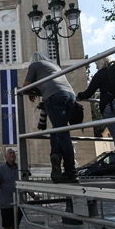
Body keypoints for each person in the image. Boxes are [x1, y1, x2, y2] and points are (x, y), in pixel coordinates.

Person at [77, 55, 115, 180]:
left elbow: (89, 92)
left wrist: (79, 96)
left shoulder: (101, 73)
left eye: (96, 64)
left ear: (100, 63)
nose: (95, 66)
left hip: (112, 107)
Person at [23, 51, 78, 183]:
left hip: (54, 97)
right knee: (58, 130)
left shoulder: (34, 65)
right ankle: (56, 155)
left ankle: (71, 171)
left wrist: (32, 91)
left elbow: (26, 86)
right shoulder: (54, 66)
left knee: (62, 134)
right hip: (71, 96)